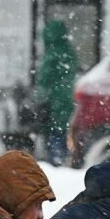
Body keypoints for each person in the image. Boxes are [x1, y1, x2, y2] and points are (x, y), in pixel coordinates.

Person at [36, 20, 79, 166]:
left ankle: (56, 160)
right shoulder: (69, 51)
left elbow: (44, 79)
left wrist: (39, 96)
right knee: (65, 130)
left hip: (54, 101)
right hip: (68, 99)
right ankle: (66, 157)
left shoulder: (52, 54)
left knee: (54, 131)